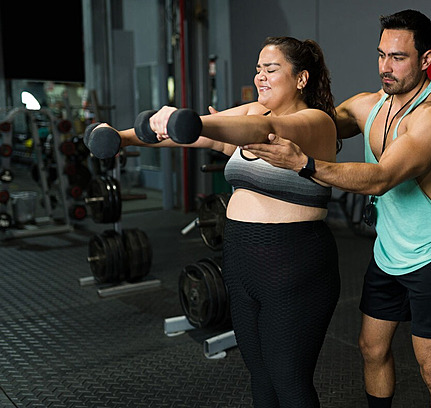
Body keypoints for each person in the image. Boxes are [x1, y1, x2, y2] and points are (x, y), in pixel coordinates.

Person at [89, 37, 340, 408]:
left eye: (271, 70)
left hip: (293, 265)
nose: (260, 77)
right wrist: (123, 138)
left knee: (289, 381)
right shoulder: (255, 111)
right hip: (240, 263)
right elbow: (199, 137)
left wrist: (193, 120)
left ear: (301, 79)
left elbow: (254, 132)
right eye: (258, 69)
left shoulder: (314, 122)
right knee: (261, 379)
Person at [244, 10, 431, 408]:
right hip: (387, 253)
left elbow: (383, 177)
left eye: (398, 57)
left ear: (427, 59)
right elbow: (316, 124)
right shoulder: (368, 106)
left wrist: (304, 164)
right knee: (371, 349)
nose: (386, 66)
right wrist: (258, 112)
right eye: (381, 55)